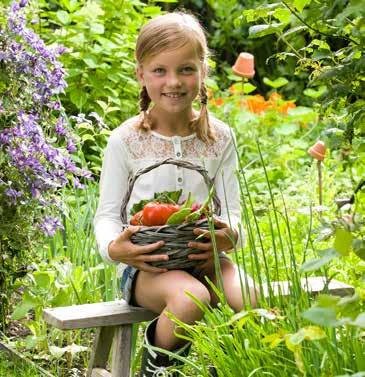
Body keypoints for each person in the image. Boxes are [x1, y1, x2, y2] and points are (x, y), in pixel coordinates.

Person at [94, 11, 257, 377]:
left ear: (202, 72)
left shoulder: (220, 138)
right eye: (159, 71)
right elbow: (107, 215)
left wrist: (230, 235)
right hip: (148, 266)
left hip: (206, 257)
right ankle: (159, 369)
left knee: (249, 298)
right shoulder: (126, 140)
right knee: (191, 297)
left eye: (186, 69)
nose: (174, 82)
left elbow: (232, 210)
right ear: (141, 74)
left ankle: (226, 367)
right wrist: (114, 248)